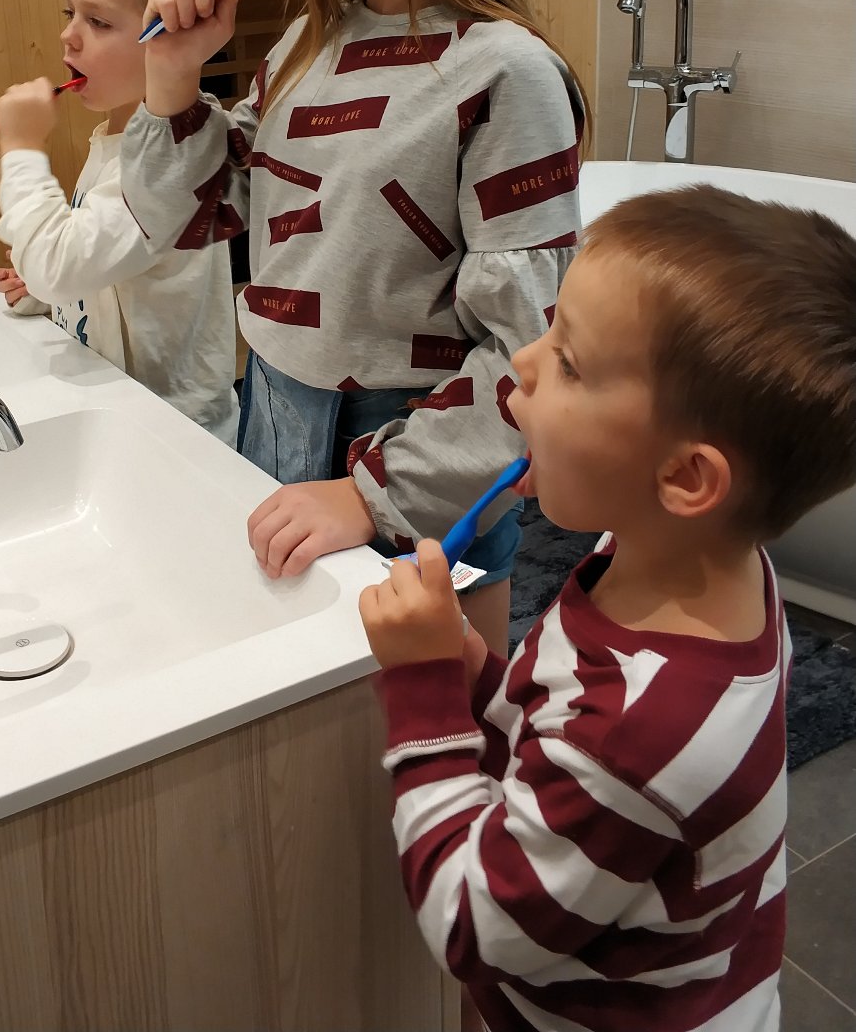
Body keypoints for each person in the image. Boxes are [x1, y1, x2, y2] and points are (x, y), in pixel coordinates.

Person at [119, 0, 585, 652]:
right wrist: (172, 81)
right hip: (272, 410)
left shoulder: (505, 74)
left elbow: (532, 350)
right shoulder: (304, 46)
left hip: (419, 449)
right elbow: (191, 217)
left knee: (437, 709)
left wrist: (373, 492)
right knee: (292, 696)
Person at [359, 185, 856, 1032]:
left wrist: (426, 695)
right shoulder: (691, 567)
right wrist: (475, 670)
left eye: (570, 363)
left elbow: (474, 927)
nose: (522, 362)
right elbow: (558, 711)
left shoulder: (640, 734)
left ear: (685, 478)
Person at [0, 0, 238, 444]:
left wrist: (22, 150)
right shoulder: (114, 136)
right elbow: (105, 265)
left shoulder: (179, 154)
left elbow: (60, 264)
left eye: (98, 22)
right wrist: (50, 292)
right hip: (120, 412)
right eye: (70, 13)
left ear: (173, 35)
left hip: (175, 438)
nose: (68, 36)